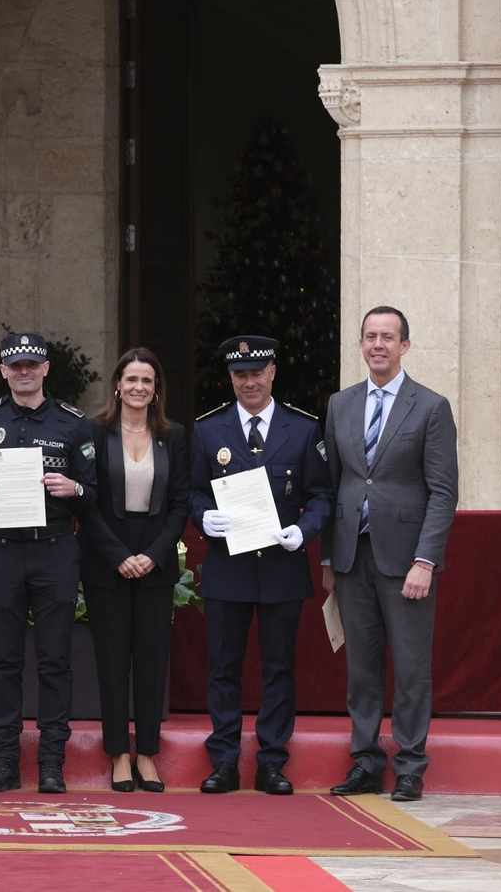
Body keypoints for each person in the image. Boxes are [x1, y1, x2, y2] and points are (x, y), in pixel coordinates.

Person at [322, 307, 458, 803]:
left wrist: (425, 560)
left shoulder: (431, 407)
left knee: (411, 666)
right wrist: (327, 561)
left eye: (388, 337)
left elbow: (443, 493)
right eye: (370, 336)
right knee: (361, 667)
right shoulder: (340, 404)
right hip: (352, 556)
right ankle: (365, 762)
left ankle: (410, 766)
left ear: (405, 345)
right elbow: (333, 485)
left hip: (406, 562)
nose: (378, 344)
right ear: (360, 344)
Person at [190, 335, 331, 796]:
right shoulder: (208, 430)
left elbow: (322, 496)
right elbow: (191, 492)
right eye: (240, 375)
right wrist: (202, 516)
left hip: (281, 566)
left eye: (257, 373)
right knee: (224, 668)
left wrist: (305, 532)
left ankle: (272, 762)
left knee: (278, 668)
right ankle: (225, 761)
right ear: (230, 378)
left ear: (272, 373)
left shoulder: (304, 428)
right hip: (228, 567)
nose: (249, 382)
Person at [0, 332, 97, 794]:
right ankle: (3, 761)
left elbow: (94, 490)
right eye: (15, 365)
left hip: (55, 549)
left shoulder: (73, 424)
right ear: (3, 371)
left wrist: (75, 490)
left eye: (32, 364)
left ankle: (51, 762)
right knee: (1, 658)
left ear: (45, 368)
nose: (23, 371)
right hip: (4, 548)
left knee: (54, 659)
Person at [79, 348, 188, 793]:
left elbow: (180, 502)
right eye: (131, 380)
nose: (139, 388)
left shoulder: (175, 435)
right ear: (117, 386)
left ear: (156, 387)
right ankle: (118, 755)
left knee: (150, 659)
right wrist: (118, 554)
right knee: (111, 660)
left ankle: (146, 754)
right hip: (108, 558)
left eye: (147, 380)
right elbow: (86, 501)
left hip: (155, 561)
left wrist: (156, 554)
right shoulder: (94, 433)